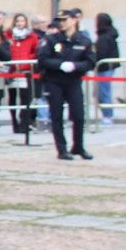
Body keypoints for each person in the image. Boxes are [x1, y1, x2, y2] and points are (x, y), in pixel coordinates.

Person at [38, 9, 96, 160]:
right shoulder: (51, 40)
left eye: (65, 20)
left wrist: (75, 66)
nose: (62, 23)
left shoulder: (83, 40)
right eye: (60, 20)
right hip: (54, 81)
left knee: (78, 115)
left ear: (74, 20)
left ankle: (78, 146)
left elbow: (90, 62)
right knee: (56, 115)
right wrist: (60, 64)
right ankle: (62, 149)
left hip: (73, 81)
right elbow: (43, 59)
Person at [7, 13, 40, 133]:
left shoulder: (32, 37)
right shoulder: (8, 35)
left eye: (22, 21)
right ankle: (14, 123)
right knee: (12, 98)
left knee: (25, 98)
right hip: (12, 70)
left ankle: (24, 123)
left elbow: (36, 51)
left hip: (25, 70)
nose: (20, 23)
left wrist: (27, 60)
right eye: (17, 21)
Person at [94, 12, 121, 126]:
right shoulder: (109, 34)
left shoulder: (104, 37)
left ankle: (107, 116)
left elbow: (101, 53)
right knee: (101, 92)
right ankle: (107, 115)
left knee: (104, 92)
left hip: (104, 67)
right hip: (106, 67)